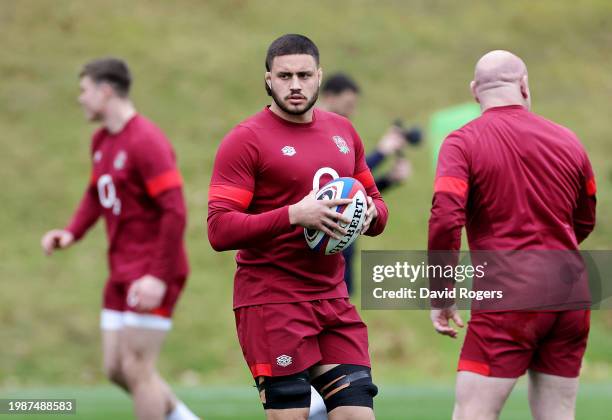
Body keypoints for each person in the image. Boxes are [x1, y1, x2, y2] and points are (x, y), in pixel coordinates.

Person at [207, 34, 388, 420]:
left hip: (332, 301)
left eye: (304, 75)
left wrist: (371, 215)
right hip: (272, 303)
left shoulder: (343, 132)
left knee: (359, 415)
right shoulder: (245, 140)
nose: (294, 85)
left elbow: (379, 207)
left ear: (319, 76)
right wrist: (293, 214)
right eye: (284, 75)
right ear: (268, 79)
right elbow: (219, 230)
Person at [428, 50, 596, 420]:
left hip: (509, 294)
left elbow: (445, 218)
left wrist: (441, 291)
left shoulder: (462, 143)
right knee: (558, 414)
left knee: (473, 413)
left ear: (475, 91)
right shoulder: (569, 140)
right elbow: (584, 221)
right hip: (571, 294)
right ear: (523, 86)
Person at [41, 58, 198, 420]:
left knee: (138, 369)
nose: (80, 99)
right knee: (115, 368)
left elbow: (175, 211)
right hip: (121, 272)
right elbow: (97, 193)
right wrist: (71, 233)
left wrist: (158, 276)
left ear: (105, 90)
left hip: (153, 271)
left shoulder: (147, 141)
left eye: (84, 90)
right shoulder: (102, 140)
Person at [320, 73, 411, 294]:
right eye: (349, 104)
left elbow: (351, 189)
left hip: (344, 241)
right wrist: (382, 152)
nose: (353, 112)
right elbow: (340, 177)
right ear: (330, 97)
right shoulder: (318, 132)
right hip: (323, 243)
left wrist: (389, 180)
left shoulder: (343, 133)